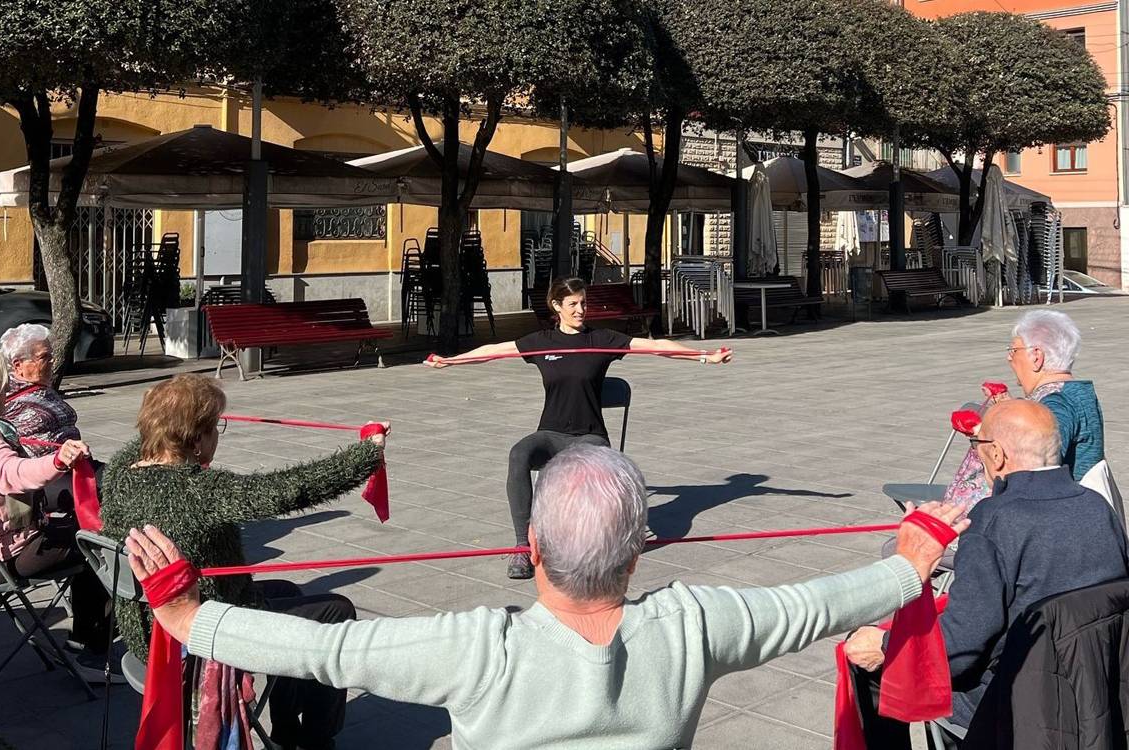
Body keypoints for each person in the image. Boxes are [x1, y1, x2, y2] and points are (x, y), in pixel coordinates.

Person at [126, 444, 967, 750]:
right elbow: (813, 605)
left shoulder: (475, 647)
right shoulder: (696, 624)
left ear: (530, 550)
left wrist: (187, 617)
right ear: (641, 550)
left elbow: (324, 650)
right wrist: (908, 563)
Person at [99, 373, 388, 750]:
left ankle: (287, 728)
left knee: (289, 592)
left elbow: (144, 440)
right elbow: (290, 491)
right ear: (197, 437)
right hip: (197, 630)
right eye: (216, 425)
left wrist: (166, 414)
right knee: (336, 610)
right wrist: (367, 454)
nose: (219, 433)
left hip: (146, 630)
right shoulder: (197, 488)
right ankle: (317, 740)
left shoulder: (120, 475)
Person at [846, 400, 1128, 747]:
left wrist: (886, 646)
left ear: (996, 455)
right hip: (1094, 687)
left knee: (864, 655)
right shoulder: (1097, 506)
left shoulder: (995, 517)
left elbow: (963, 649)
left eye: (977, 446)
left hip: (1012, 698)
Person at [426, 276, 733, 578]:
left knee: (613, 480)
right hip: (551, 434)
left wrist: (705, 357)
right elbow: (493, 351)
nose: (580, 309)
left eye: (583, 303)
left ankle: (600, 547)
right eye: (572, 303)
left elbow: (653, 347)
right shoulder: (541, 342)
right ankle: (523, 546)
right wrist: (450, 361)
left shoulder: (601, 340)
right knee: (519, 453)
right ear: (557, 305)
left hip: (590, 437)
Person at [0, 345, 113, 680]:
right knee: (96, 541)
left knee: (72, 524)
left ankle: (84, 638)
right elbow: (9, 475)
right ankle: (90, 653)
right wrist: (59, 461)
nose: (8, 388)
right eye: (2, 383)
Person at [945, 309, 1106, 512]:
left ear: (1036, 356)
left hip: (1049, 523)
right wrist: (1011, 408)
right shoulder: (1074, 392)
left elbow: (1032, 473)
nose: (1009, 358)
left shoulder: (1056, 404)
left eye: (1014, 350)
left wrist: (980, 433)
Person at [0, 323, 81, 457]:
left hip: (73, 463)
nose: (52, 361)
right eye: (44, 357)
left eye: (51, 355)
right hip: (47, 470)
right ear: (18, 365)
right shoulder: (7, 400)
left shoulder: (42, 388)